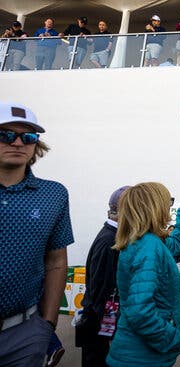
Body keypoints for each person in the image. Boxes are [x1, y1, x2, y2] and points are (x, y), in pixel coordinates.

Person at [0, 102, 74, 366]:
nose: (18, 143)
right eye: (6, 135)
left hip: (25, 333)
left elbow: (56, 260)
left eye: (28, 137)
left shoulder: (53, 195)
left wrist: (48, 323)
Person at [106, 183, 180, 366]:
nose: (168, 207)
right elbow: (140, 310)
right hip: (142, 357)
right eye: (167, 202)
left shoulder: (146, 241)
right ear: (153, 207)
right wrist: (170, 339)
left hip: (136, 354)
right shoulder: (149, 246)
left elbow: (176, 244)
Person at [75, 186, 130, 366]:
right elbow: (101, 289)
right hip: (98, 322)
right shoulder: (109, 240)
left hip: (101, 320)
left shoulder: (113, 236)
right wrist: (106, 329)